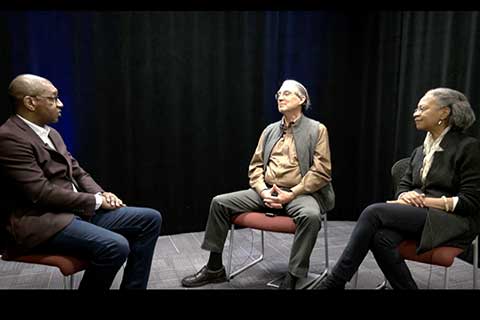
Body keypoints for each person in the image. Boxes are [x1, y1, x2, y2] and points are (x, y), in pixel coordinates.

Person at [0, 74, 162, 289]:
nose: (60, 104)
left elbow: (77, 171)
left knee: (150, 219)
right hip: (43, 222)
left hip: (75, 212)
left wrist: (102, 194)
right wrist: (94, 201)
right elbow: (40, 192)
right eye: (53, 98)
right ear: (30, 102)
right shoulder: (9, 137)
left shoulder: (52, 133)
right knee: (115, 246)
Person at [314, 87, 480, 289]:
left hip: (452, 221)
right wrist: (405, 194)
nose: (415, 113)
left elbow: (471, 202)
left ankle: (334, 282)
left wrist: (426, 201)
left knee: (373, 212)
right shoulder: (421, 151)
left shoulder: (468, 147)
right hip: (421, 214)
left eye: (422, 108)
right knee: (380, 238)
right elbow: (404, 185)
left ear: (444, 113)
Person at [181, 79, 335, 289]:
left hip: (300, 194)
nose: (280, 97)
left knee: (310, 216)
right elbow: (255, 167)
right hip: (267, 190)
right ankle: (214, 268)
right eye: (278, 94)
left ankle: (293, 276)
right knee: (220, 203)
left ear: (302, 99)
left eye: (287, 93)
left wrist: (291, 194)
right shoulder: (270, 130)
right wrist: (263, 191)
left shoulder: (317, 130)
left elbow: (321, 172)